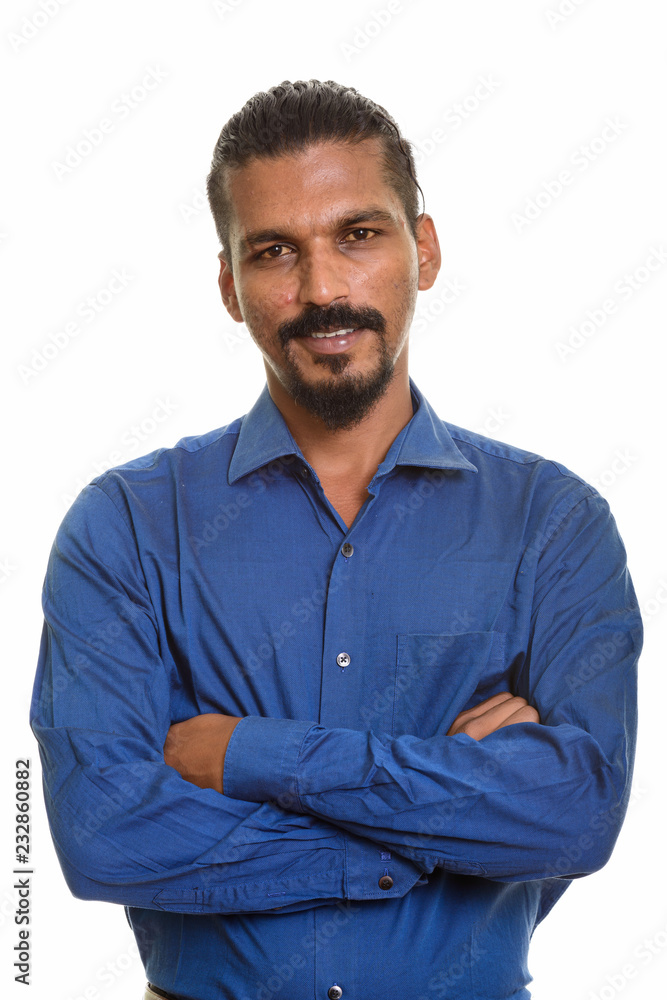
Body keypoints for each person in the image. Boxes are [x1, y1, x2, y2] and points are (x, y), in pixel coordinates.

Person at [30, 79, 642, 1000]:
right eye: (275, 251)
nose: (321, 290)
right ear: (230, 286)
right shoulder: (124, 526)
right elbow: (105, 834)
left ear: (422, 251)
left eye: (358, 235)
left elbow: (575, 818)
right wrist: (447, 825)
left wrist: (246, 757)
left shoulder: (551, 523)